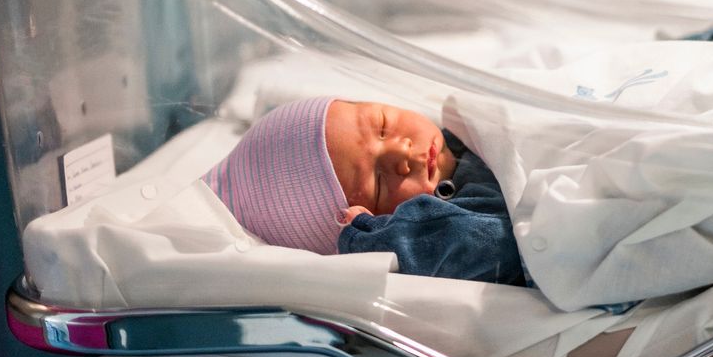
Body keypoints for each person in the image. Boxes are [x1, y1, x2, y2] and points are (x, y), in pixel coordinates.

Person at [203, 96, 526, 285]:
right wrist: (374, 239)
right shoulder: (464, 216)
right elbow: (497, 244)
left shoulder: (466, 132)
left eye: (383, 125)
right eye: (379, 183)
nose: (401, 153)